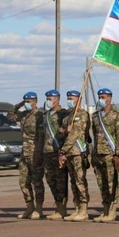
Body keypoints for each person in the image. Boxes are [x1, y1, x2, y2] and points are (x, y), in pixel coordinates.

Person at [8, 91, 45, 219]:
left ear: (35, 101)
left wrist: (39, 153)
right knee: (23, 181)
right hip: (24, 153)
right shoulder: (23, 115)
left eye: (29, 101)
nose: (27, 104)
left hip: (35, 153)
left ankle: (39, 209)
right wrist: (19, 104)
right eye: (26, 101)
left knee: (37, 182)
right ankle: (29, 207)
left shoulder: (40, 115)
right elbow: (10, 115)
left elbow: (41, 136)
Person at [91, 88, 119, 223]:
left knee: (111, 183)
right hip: (98, 153)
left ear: (109, 98)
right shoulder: (95, 116)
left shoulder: (116, 115)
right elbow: (94, 136)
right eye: (100, 97)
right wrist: (92, 154)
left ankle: (112, 210)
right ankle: (104, 209)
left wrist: (117, 153)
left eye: (103, 97)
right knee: (101, 183)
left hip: (110, 154)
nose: (101, 99)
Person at [59, 90, 91, 222]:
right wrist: (65, 130)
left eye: (72, 98)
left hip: (78, 152)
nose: (69, 100)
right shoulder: (68, 116)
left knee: (80, 181)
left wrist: (62, 151)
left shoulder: (82, 115)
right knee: (73, 181)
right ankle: (76, 207)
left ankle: (83, 209)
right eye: (68, 98)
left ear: (79, 99)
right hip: (69, 154)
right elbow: (60, 132)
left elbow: (75, 135)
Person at [42, 89, 69, 220]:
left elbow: (67, 131)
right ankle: (57, 206)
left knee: (60, 181)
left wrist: (63, 151)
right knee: (50, 180)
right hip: (47, 151)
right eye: (47, 98)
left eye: (50, 98)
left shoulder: (63, 113)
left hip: (58, 151)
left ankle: (62, 208)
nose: (48, 101)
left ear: (57, 99)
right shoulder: (45, 115)